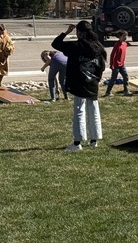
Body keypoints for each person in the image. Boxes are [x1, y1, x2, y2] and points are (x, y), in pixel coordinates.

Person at [51, 20, 107, 151]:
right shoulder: (98, 47)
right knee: (94, 110)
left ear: (79, 33)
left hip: (79, 83)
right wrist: (96, 78)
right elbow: (102, 66)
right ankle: (94, 140)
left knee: (79, 111)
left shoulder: (76, 46)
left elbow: (55, 44)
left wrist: (66, 33)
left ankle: (77, 143)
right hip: (92, 82)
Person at [104, 30, 132, 97]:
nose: (125, 37)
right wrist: (112, 64)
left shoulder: (125, 44)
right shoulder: (117, 45)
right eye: (124, 36)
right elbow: (112, 55)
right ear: (120, 37)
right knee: (113, 79)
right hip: (116, 65)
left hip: (122, 65)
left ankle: (126, 90)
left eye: (126, 36)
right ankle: (108, 92)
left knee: (126, 77)